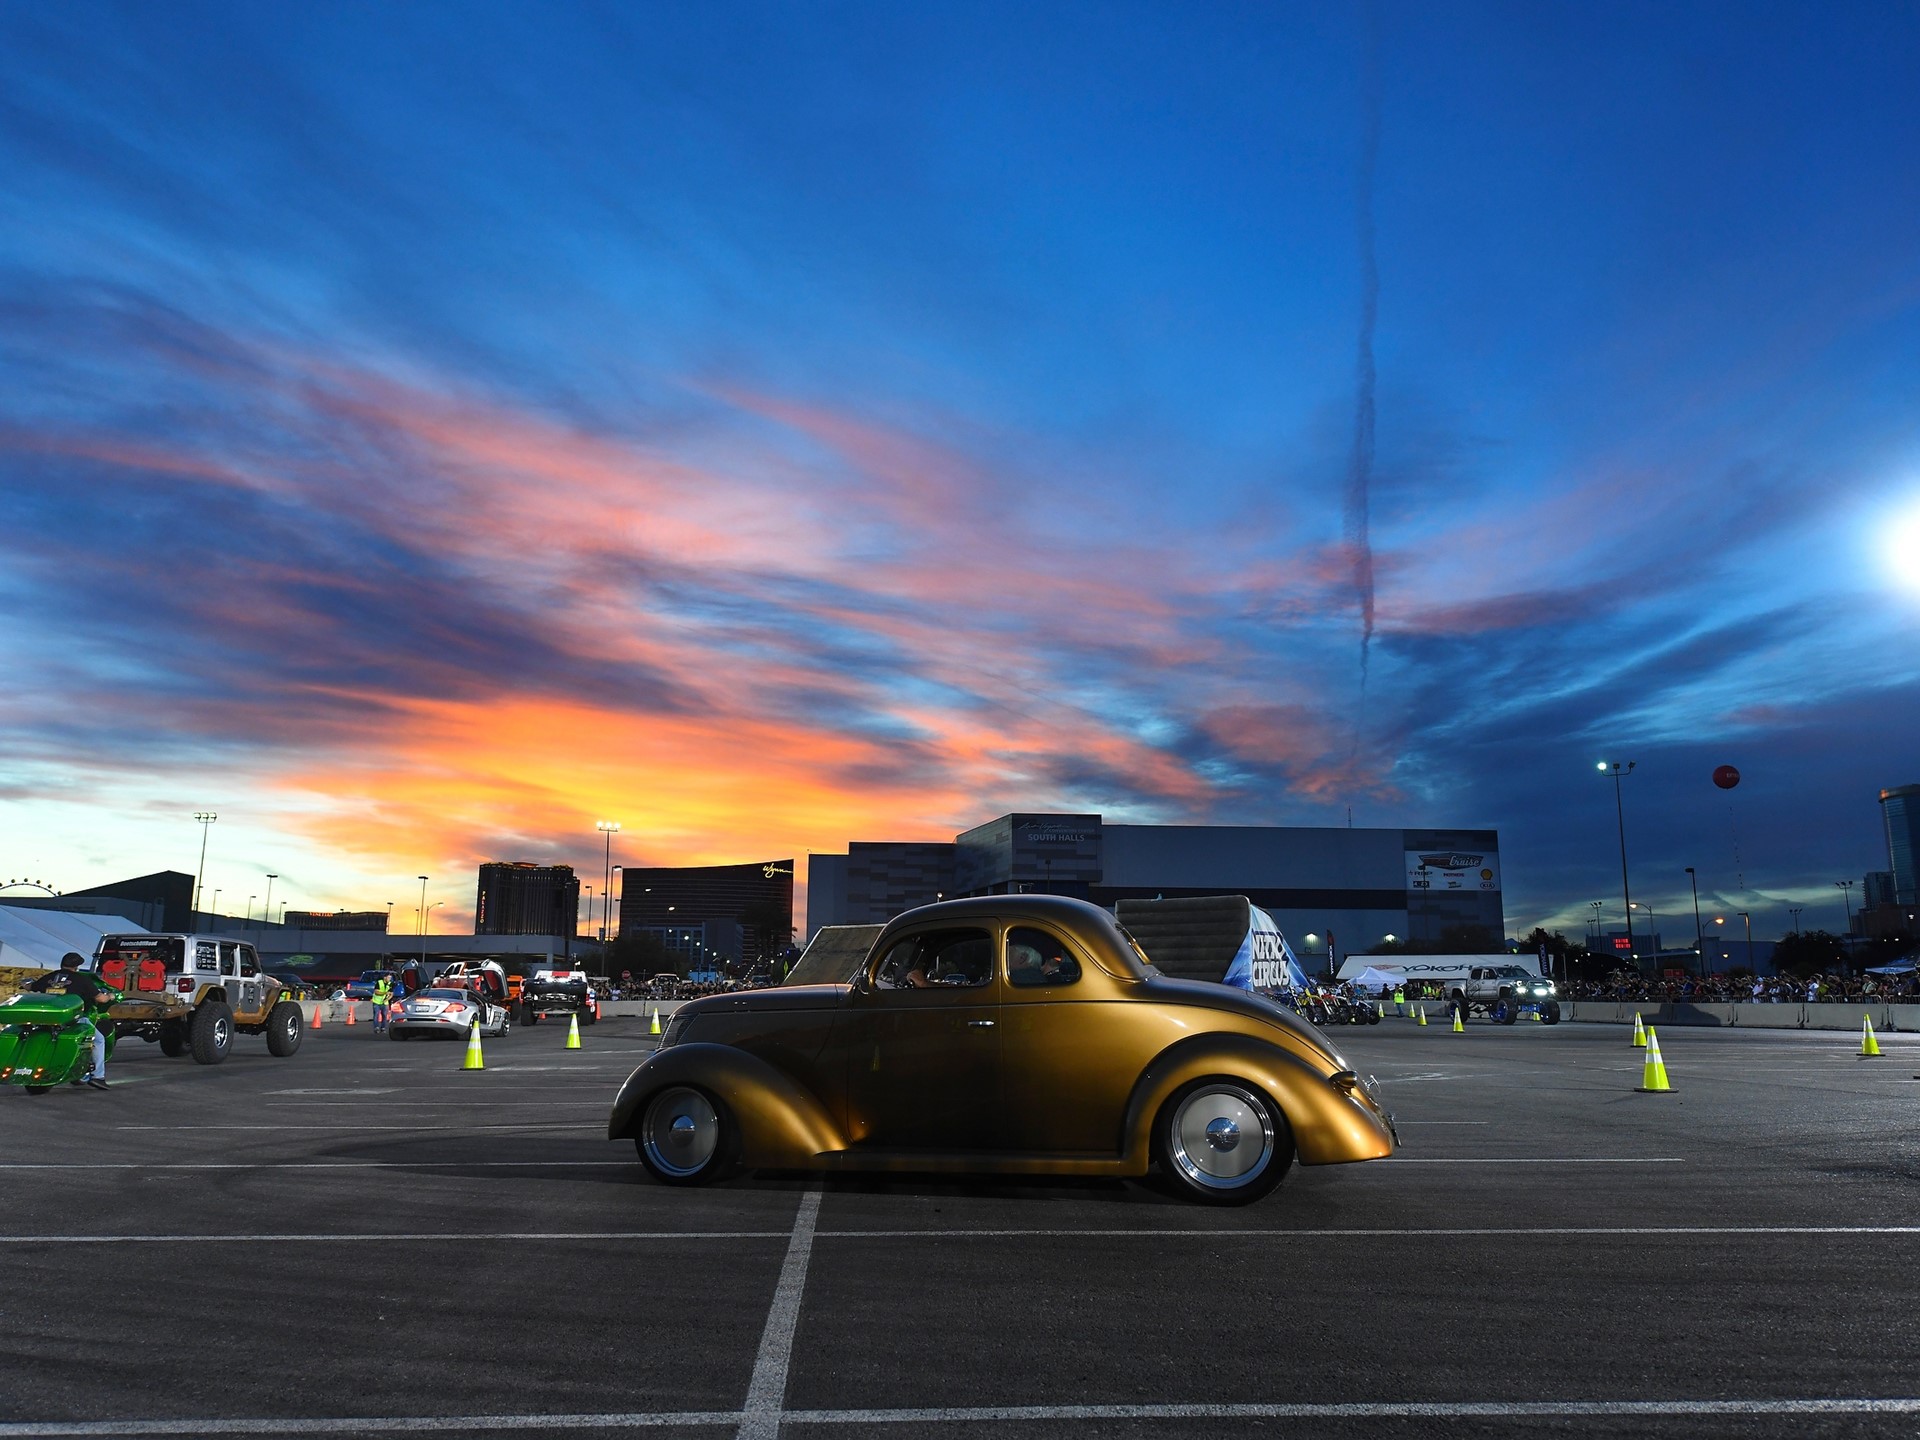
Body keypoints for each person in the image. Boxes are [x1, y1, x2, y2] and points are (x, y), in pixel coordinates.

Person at [28, 953, 110, 1090]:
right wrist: (110, 996)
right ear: (77, 966)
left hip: (47, 1018)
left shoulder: (50, 977)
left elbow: (32, 987)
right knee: (98, 1039)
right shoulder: (81, 979)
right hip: (71, 1019)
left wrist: (26, 984)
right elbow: (101, 999)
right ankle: (98, 1077)